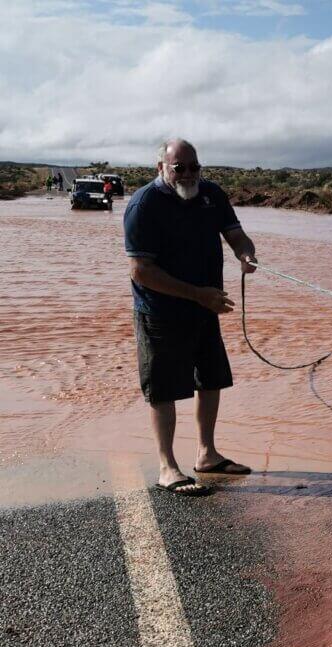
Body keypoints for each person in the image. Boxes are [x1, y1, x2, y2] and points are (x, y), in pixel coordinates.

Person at [124, 138, 257, 496]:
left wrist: (246, 255)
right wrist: (199, 294)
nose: (187, 174)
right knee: (162, 390)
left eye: (193, 167)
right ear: (161, 169)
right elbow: (141, 271)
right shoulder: (143, 205)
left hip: (205, 308)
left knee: (210, 379)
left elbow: (237, 236)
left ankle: (207, 454)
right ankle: (168, 466)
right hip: (160, 312)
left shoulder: (211, 194)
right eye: (178, 167)